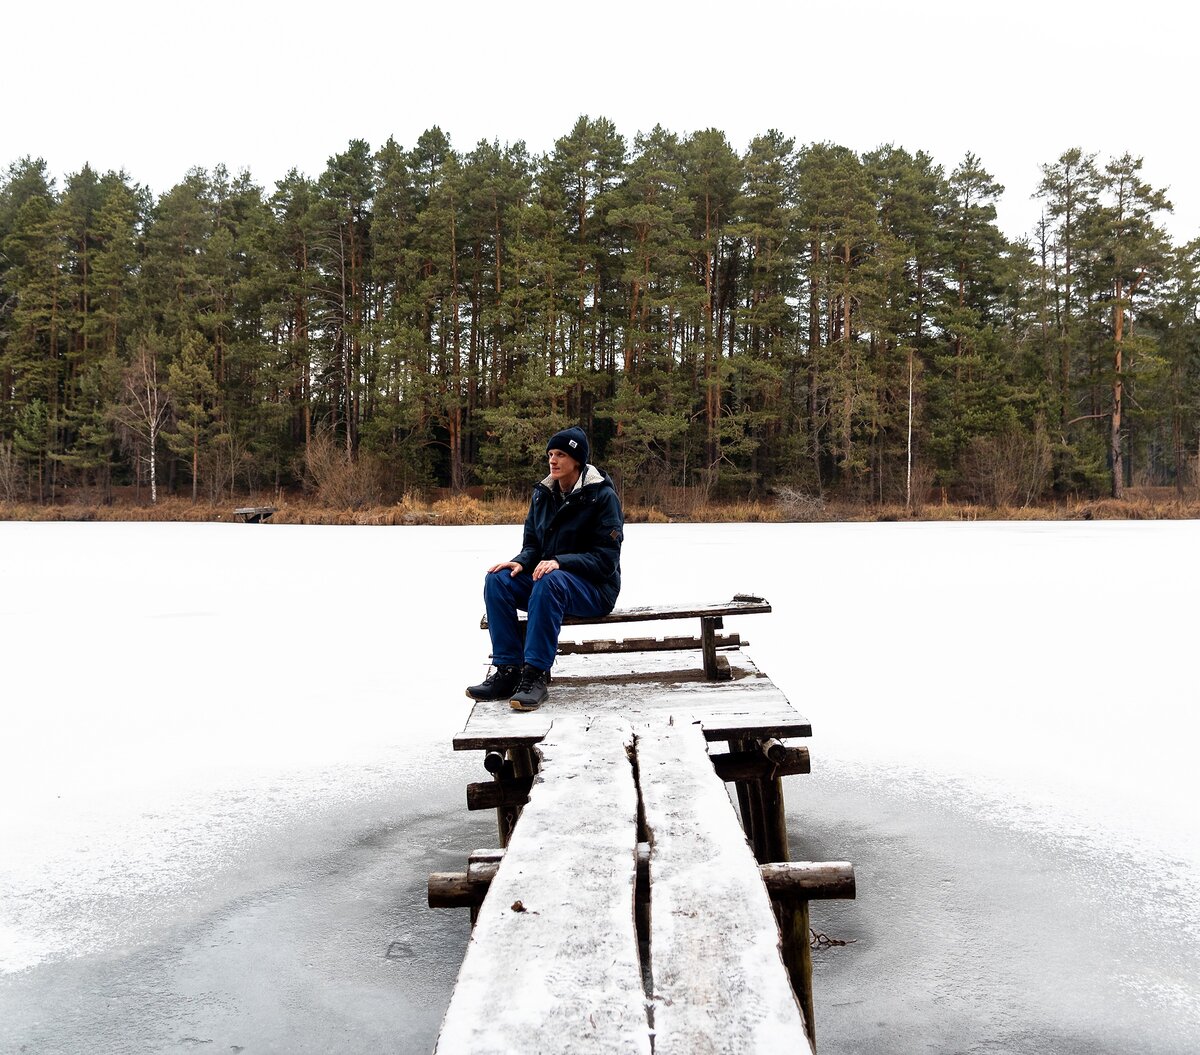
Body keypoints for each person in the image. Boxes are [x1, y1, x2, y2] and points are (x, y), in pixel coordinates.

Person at [467, 426, 624, 711]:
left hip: (595, 589)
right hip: (549, 583)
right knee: (498, 580)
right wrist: (520, 562)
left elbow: (606, 561)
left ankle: (535, 675)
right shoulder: (543, 494)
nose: (553, 460)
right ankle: (507, 671)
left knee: (550, 580)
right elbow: (532, 547)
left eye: (561, 454)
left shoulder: (602, 497)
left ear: (577, 460)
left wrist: (561, 562)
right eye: (550, 454)